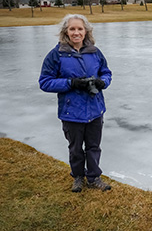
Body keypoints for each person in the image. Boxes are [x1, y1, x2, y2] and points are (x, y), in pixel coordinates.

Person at [39, 14, 112, 193]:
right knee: (75, 148)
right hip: (71, 111)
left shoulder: (95, 52)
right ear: (66, 31)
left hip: (95, 109)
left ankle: (94, 177)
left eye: (80, 29)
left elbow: (106, 72)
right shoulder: (56, 55)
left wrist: (103, 82)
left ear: (86, 31)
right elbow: (45, 82)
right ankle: (78, 177)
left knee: (94, 146)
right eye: (72, 29)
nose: (76, 32)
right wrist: (71, 83)